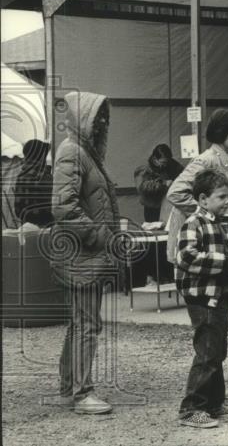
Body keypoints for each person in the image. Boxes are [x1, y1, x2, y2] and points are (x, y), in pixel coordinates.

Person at [50, 92, 117, 415]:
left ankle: (69, 388)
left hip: (85, 255)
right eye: (97, 116)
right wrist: (96, 234)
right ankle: (81, 393)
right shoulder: (73, 153)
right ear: (82, 118)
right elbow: (63, 205)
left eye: (105, 116)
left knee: (80, 323)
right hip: (82, 254)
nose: (103, 122)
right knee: (87, 325)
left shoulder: (83, 152)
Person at [175, 169, 228, 429]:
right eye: (221, 196)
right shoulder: (193, 223)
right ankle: (191, 408)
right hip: (202, 297)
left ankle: (214, 402)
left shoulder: (226, 223)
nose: (227, 201)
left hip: (222, 296)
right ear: (203, 199)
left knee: (217, 350)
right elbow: (186, 257)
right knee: (207, 351)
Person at [166, 110, 228, 266]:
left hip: (224, 241)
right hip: (203, 245)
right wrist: (209, 217)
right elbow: (176, 193)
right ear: (221, 132)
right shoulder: (207, 160)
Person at [134, 144, 183, 223]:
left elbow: (183, 174)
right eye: (163, 162)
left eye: (167, 162)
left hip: (168, 204)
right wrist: (164, 184)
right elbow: (142, 188)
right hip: (152, 206)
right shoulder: (144, 170)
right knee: (154, 229)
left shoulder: (171, 164)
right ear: (155, 159)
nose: (165, 165)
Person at [13, 139, 53, 226]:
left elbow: (18, 209)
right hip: (45, 226)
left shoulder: (21, 176)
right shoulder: (44, 177)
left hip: (26, 224)